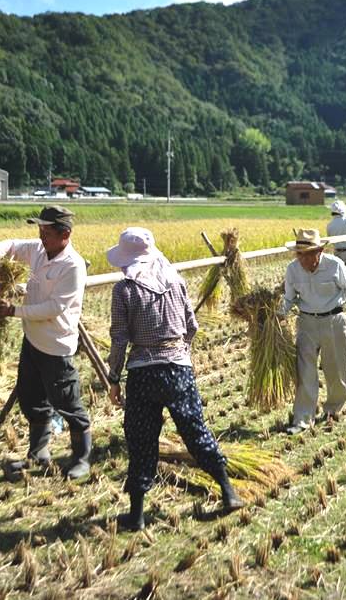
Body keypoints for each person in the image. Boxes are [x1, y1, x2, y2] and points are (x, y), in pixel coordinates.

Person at [105, 228, 243, 531]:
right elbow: (191, 326)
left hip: (142, 373)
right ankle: (228, 492)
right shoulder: (175, 281)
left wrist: (113, 377)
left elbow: (119, 339)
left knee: (141, 438)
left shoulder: (124, 290)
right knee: (195, 430)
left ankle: (137, 514)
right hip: (178, 369)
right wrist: (179, 352)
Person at [0, 206, 92, 479]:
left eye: (47, 231)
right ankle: (38, 453)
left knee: (67, 402)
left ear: (64, 234)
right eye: (40, 230)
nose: (41, 236)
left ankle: (82, 457)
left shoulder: (73, 266)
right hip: (32, 340)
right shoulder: (39, 250)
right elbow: (11, 245)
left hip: (56, 345)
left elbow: (54, 307)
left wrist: (14, 311)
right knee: (31, 397)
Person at [281, 228, 346, 434]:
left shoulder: (335, 265)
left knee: (336, 370)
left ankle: (333, 409)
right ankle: (303, 419)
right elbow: (289, 298)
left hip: (334, 320)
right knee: (305, 371)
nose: (302, 259)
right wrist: (277, 315)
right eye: (299, 254)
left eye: (306, 254)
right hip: (306, 323)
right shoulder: (293, 269)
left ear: (319, 252)